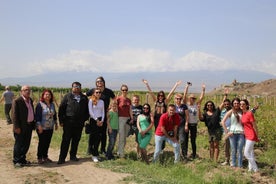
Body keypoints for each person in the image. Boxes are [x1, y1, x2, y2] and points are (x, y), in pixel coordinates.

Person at [57, 82, 89, 164]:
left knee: (76, 140)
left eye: (78, 87)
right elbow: (61, 109)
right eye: (75, 86)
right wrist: (61, 120)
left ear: (80, 88)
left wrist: (84, 119)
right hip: (68, 122)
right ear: (72, 88)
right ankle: (62, 158)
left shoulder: (84, 98)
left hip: (79, 123)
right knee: (66, 140)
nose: (76, 88)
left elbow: (87, 110)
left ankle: (73, 156)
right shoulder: (67, 97)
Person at [86, 76, 115, 154]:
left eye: (101, 81)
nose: (99, 82)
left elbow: (115, 99)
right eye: (98, 81)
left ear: (103, 82)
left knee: (103, 133)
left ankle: (102, 149)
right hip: (94, 116)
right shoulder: (93, 90)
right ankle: (90, 149)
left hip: (104, 115)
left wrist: (111, 107)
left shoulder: (108, 91)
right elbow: (85, 95)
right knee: (92, 133)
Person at [12, 85, 35, 167]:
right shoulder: (17, 101)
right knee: (19, 144)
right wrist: (16, 127)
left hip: (29, 125)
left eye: (29, 90)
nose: (28, 91)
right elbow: (14, 115)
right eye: (25, 90)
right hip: (20, 127)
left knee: (26, 144)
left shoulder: (30, 100)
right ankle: (16, 160)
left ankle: (22, 159)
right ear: (21, 91)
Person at [198, 96, 226, 162]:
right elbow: (201, 118)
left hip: (217, 130)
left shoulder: (217, 111)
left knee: (216, 145)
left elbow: (222, 103)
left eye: (211, 105)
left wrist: (225, 95)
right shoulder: (205, 114)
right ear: (206, 106)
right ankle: (211, 159)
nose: (209, 106)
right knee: (211, 145)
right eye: (208, 105)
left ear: (213, 106)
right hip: (210, 131)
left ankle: (215, 160)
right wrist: (198, 110)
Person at [182, 83, 205, 159]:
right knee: (185, 140)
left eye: (194, 98)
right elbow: (184, 95)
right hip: (187, 124)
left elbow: (201, 98)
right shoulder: (186, 105)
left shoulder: (196, 104)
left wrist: (203, 90)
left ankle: (194, 154)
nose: (192, 99)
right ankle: (185, 154)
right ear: (189, 99)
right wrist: (186, 87)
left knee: (193, 140)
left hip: (194, 125)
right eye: (191, 98)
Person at [35, 89, 58, 164]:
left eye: (49, 94)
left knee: (47, 142)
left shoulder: (52, 104)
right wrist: (39, 126)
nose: (48, 96)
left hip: (50, 127)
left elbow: (54, 115)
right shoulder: (40, 104)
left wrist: (56, 123)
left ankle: (45, 156)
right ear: (43, 96)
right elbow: (37, 117)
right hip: (42, 127)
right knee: (42, 142)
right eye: (46, 94)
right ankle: (39, 157)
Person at [221, 98, 244, 168]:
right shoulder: (231, 111)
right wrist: (227, 132)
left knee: (240, 149)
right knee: (233, 149)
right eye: (235, 103)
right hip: (232, 133)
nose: (236, 104)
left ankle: (240, 165)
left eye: (237, 103)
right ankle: (233, 164)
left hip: (241, 133)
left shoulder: (242, 111)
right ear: (233, 104)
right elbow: (222, 122)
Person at [240, 99, 259, 172]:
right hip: (247, 135)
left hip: (251, 135)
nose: (241, 105)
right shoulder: (243, 113)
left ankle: (255, 169)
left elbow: (255, 126)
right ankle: (250, 169)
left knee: (246, 153)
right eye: (240, 104)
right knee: (250, 152)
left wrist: (257, 136)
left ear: (247, 105)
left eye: (243, 104)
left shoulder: (249, 113)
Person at [88, 88, 105, 163]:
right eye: (97, 92)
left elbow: (103, 111)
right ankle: (93, 154)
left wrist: (102, 120)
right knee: (94, 137)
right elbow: (90, 112)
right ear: (94, 93)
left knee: (99, 138)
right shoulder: (91, 100)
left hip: (100, 121)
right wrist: (96, 120)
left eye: (99, 92)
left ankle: (96, 152)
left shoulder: (102, 101)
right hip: (93, 121)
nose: (98, 94)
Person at [116, 84, 133, 158]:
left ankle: (119, 151)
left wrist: (132, 118)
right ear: (121, 91)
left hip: (127, 119)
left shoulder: (129, 100)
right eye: (123, 90)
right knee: (121, 136)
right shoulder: (118, 99)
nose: (124, 91)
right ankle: (121, 155)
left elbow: (130, 110)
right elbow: (114, 108)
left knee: (125, 137)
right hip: (121, 119)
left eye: (126, 90)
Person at [173, 93, 189, 160]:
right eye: (177, 99)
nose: (178, 100)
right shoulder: (173, 106)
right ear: (175, 99)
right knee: (175, 140)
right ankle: (177, 155)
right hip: (174, 126)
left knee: (182, 140)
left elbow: (187, 116)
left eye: (180, 99)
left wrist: (186, 124)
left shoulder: (184, 106)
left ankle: (184, 155)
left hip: (182, 125)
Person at [220, 98, 232, 166]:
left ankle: (232, 160)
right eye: (225, 104)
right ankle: (227, 160)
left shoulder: (234, 111)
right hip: (225, 131)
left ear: (230, 104)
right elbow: (221, 120)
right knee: (226, 147)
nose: (226, 105)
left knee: (233, 147)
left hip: (234, 131)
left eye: (228, 104)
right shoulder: (222, 112)